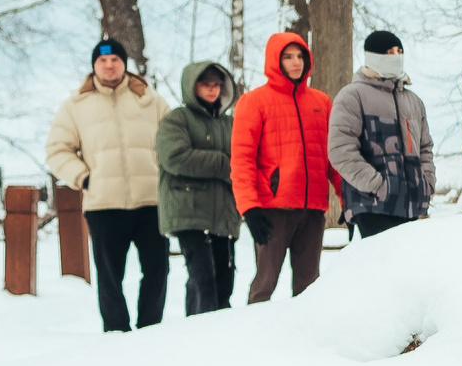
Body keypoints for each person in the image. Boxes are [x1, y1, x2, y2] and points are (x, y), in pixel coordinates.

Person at [46, 38, 170, 332]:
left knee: (158, 270)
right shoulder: (75, 105)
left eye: (115, 59)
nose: (109, 65)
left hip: (151, 201)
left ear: (124, 64)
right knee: (110, 276)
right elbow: (57, 150)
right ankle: (116, 333)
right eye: (102, 61)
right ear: (94, 66)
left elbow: (172, 142)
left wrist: (163, 175)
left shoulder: (149, 99)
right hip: (103, 204)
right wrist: (84, 177)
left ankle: (151, 330)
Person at [232, 31, 335, 300]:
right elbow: (242, 159)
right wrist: (249, 208)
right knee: (265, 284)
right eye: (288, 56)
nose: (296, 62)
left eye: (300, 56)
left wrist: (348, 198)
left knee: (309, 287)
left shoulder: (321, 102)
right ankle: (255, 326)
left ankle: (307, 327)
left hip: (312, 209)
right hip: (272, 209)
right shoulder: (254, 101)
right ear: (275, 60)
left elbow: (332, 156)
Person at [328, 29, 433, 239]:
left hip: (411, 203)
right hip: (371, 204)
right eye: (389, 52)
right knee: (383, 259)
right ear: (373, 56)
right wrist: (377, 185)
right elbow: (340, 150)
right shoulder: (352, 96)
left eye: (399, 51)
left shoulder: (413, 101)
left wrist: (426, 183)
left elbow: (425, 148)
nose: (396, 57)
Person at [156, 60, 241, 314]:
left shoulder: (231, 124)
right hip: (189, 212)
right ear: (192, 86)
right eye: (205, 83)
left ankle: (221, 333)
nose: (212, 89)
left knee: (224, 283)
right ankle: (197, 332)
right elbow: (175, 157)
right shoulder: (177, 120)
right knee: (203, 280)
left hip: (224, 214)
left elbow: (246, 161)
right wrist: (225, 164)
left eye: (216, 83)